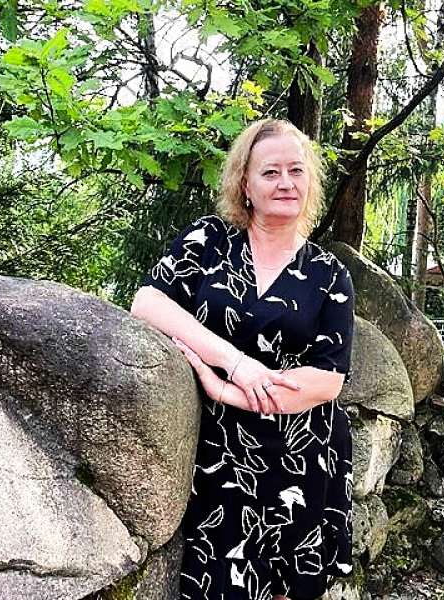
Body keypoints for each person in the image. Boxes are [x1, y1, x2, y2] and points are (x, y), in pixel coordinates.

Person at [130, 118, 355, 600]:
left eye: (296, 170)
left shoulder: (330, 273)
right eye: (270, 172)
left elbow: (327, 380)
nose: (286, 182)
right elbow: (147, 303)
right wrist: (234, 362)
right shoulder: (209, 240)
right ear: (245, 184)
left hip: (300, 454)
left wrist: (227, 390)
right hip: (219, 454)